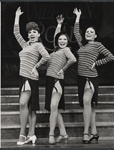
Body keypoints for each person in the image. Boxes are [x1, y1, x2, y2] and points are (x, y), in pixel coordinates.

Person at [73, 8, 114, 144]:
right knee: (90, 105)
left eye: (91, 32)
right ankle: (95, 132)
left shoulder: (98, 45)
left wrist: (96, 63)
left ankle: (86, 133)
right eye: (87, 32)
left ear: (96, 35)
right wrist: (78, 16)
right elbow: (75, 33)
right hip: (80, 78)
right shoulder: (82, 45)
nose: (88, 33)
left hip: (90, 77)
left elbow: (111, 56)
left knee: (87, 101)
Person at [13, 7, 50, 145]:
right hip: (22, 77)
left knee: (23, 103)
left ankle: (22, 134)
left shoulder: (38, 45)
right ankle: (31, 134)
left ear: (39, 34)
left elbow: (46, 56)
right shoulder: (25, 45)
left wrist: (36, 67)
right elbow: (16, 32)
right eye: (29, 32)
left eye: (34, 32)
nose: (31, 34)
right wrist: (17, 17)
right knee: (28, 106)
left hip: (31, 77)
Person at [45, 14, 77, 144]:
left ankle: (51, 134)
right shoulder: (56, 50)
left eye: (64, 39)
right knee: (54, 109)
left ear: (67, 41)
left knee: (53, 106)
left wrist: (63, 69)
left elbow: (73, 59)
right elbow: (55, 38)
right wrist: (59, 25)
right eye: (60, 39)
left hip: (57, 80)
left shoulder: (66, 50)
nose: (62, 41)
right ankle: (63, 134)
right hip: (48, 80)